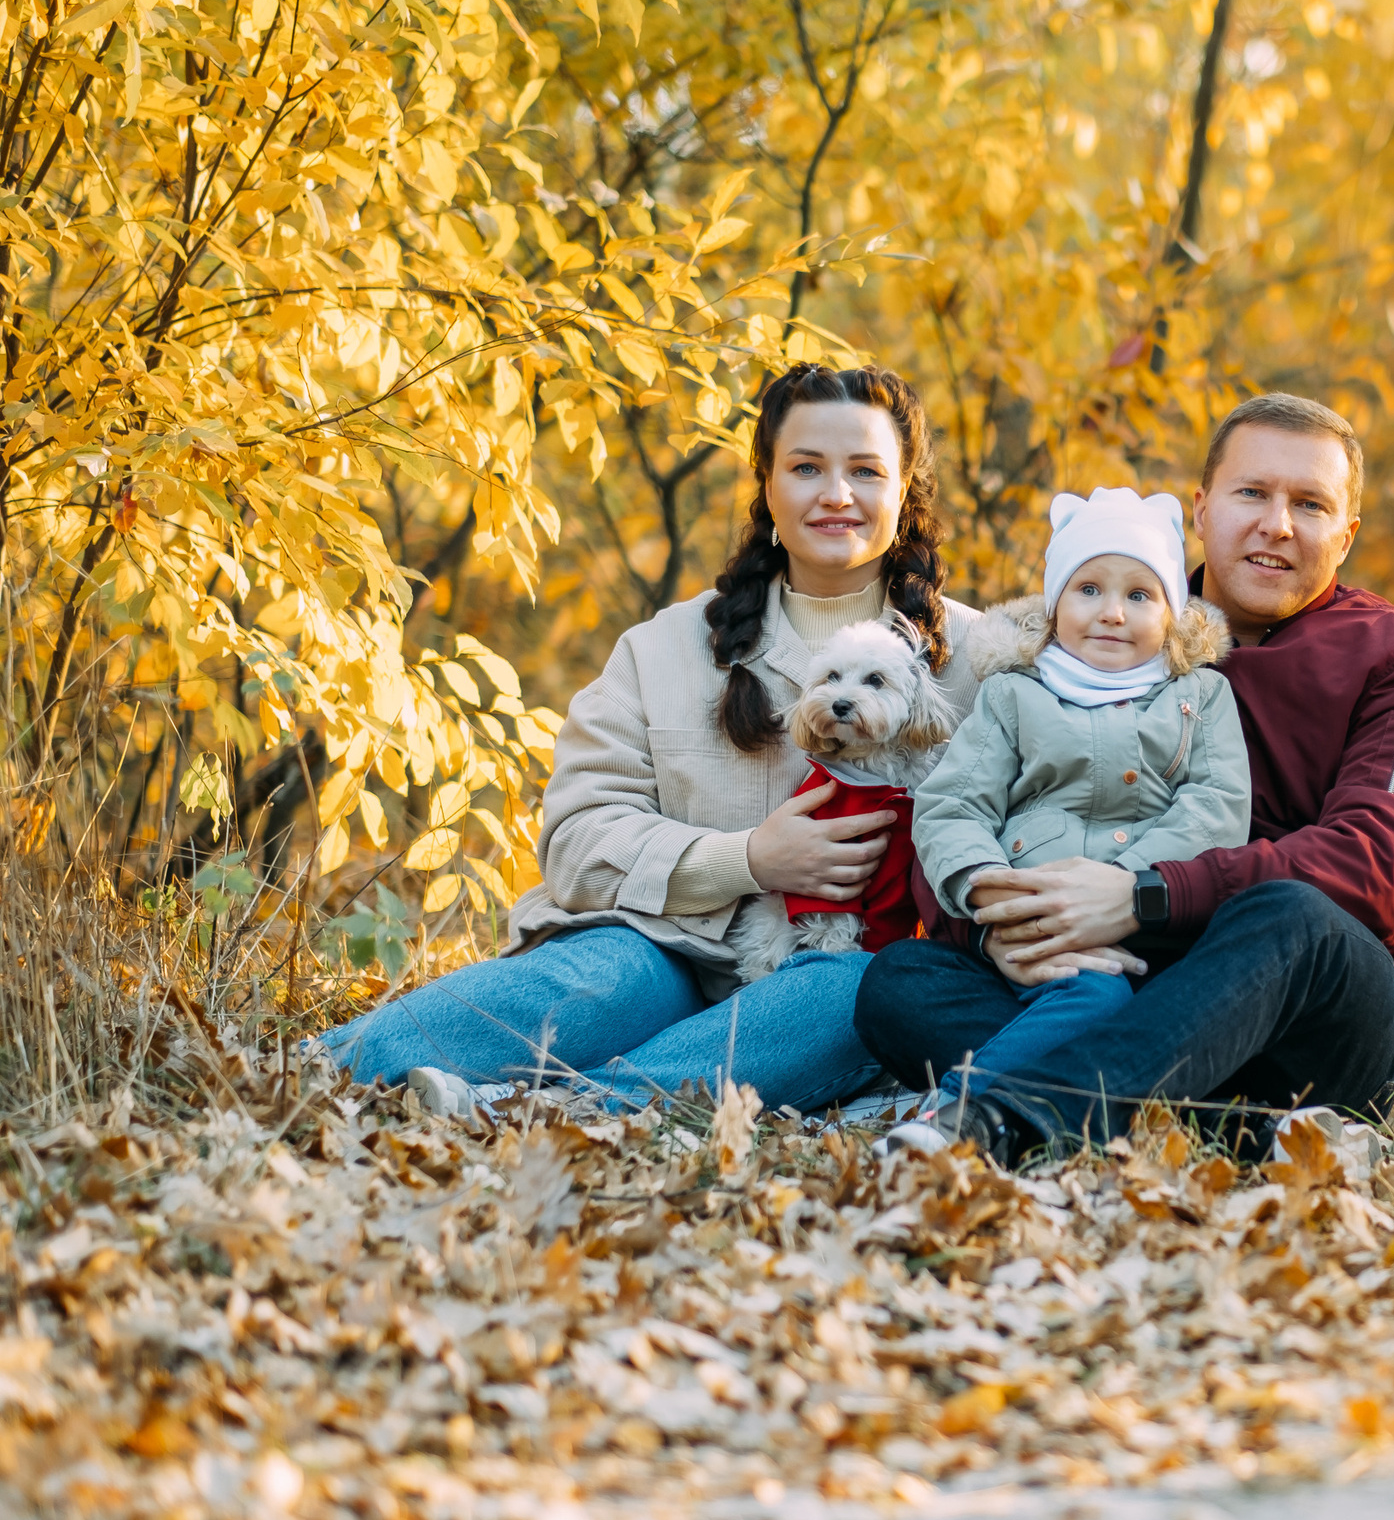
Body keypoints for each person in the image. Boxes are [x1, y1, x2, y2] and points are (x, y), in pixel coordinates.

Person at [317, 363, 980, 1113]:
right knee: (607, 973)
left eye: (865, 470)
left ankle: (550, 1113)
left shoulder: (978, 661)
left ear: (904, 491)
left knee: (863, 990)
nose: (835, 493)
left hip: (830, 981)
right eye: (805, 468)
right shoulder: (663, 648)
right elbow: (576, 839)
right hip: (665, 952)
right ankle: (313, 1068)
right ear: (767, 486)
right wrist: (747, 858)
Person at [855, 393, 1394, 1159]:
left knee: (1292, 914)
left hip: (1307, 1017)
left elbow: (1382, 863)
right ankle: (1231, 1129)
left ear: (1344, 536)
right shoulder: (1099, 619)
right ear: (1202, 511)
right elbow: (969, 807)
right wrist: (1002, 936)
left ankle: (1010, 1120)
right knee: (901, 979)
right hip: (1109, 980)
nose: (1276, 523)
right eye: (1253, 493)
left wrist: (1142, 897)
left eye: (1309, 504)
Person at [889, 486, 1251, 1145]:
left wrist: (1118, 884)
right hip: (1024, 933)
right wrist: (990, 889)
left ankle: (956, 1109)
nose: (1112, 612)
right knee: (897, 980)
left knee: (1100, 994)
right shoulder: (1014, 692)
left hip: (1145, 933)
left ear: (1171, 613)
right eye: (1088, 589)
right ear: (1055, 603)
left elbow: (1217, 805)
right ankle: (1099, 1082)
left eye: (1140, 595)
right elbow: (954, 802)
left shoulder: (1200, 694)